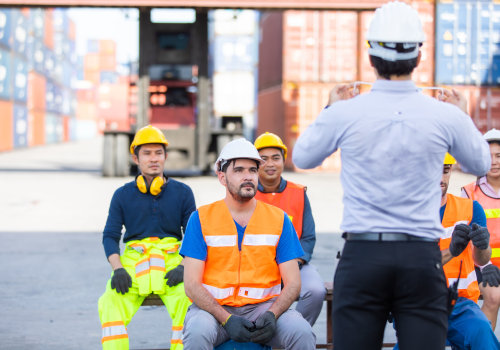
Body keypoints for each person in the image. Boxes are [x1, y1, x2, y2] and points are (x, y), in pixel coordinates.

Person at [292, 2, 491, 349]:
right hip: (420, 259)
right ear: (418, 55)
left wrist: (331, 108)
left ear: (370, 55)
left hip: (362, 256)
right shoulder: (442, 115)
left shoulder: (347, 112)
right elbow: (480, 163)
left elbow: (303, 155)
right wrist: (461, 116)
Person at [180, 138, 316, 350]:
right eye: (239, 170)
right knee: (197, 332)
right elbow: (191, 285)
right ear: (222, 177)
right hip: (213, 311)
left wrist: (273, 314)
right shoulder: (200, 219)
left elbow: (293, 283)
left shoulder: (279, 219)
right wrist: (226, 319)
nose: (248, 176)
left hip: (265, 309)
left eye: (252, 170)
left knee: (301, 332)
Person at [98, 125, 196, 350]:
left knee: (189, 301)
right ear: (135, 158)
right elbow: (110, 236)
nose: (154, 159)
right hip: (134, 263)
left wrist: (184, 267)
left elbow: (194, 235)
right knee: (110, 301)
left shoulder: (183, 193)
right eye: (147, 153)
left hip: (173, 262)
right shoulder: (122, 195)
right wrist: (118, 269)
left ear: (166, 156)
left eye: (158, 153)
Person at [394, 154, 499, 349]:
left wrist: (483, 246)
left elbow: (480, 259)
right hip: (420, 305)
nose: (441, 179)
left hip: (460, 304)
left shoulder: (470, 208)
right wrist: (451, 251)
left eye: (445, 171)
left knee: (481, 331)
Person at [253, 131, 326, 326]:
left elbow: (308, 237)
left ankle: (293, 333)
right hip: (257, 265)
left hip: (295, 263)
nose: (270, 164)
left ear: (283, 160)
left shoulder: (298, 193)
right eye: (263, 159)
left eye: (276, 158)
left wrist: (295, 262)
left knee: (315, 291)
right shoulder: (247, 194)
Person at [462, 128, 500, 330]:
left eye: (499, 156)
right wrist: (486, 267)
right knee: (493, 297)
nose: (494, 162)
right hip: (480, 266)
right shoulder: (469, 192)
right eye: (489, 156)